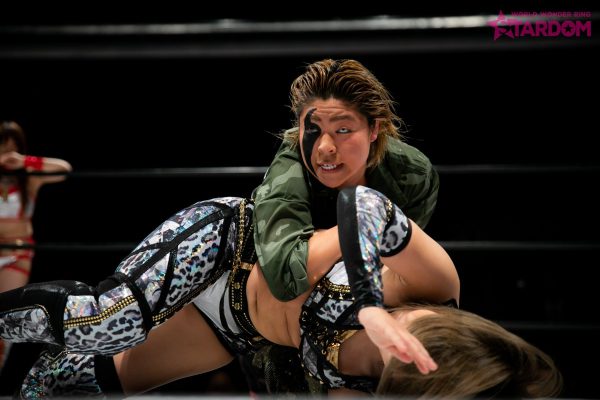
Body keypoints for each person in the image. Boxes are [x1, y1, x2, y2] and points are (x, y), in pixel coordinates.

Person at [0, 189, 561, 398]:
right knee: (109, 320)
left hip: (230, 328)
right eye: (420, 338)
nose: (403, 347)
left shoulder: (368, 389)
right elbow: (365, 206)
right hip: (231, 246)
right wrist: (371, 305)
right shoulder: (439, 286)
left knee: (74, 385)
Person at [249, 58, 440, 391]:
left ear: (374, 129)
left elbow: (399, 268)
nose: (325, 147)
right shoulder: (290, 168)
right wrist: (360, 225)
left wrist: (329, 242)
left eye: (342, 130)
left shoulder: (412, 174)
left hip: (365, 311)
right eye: (313, 130)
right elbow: (283, 279)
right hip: (282, 320)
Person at [0, 120, 72, 372]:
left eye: (13, 148)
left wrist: (25, 161)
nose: (7, 153)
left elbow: (63, 169)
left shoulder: (27, 178)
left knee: (5, 316)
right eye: (2, 147)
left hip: (16, 254)